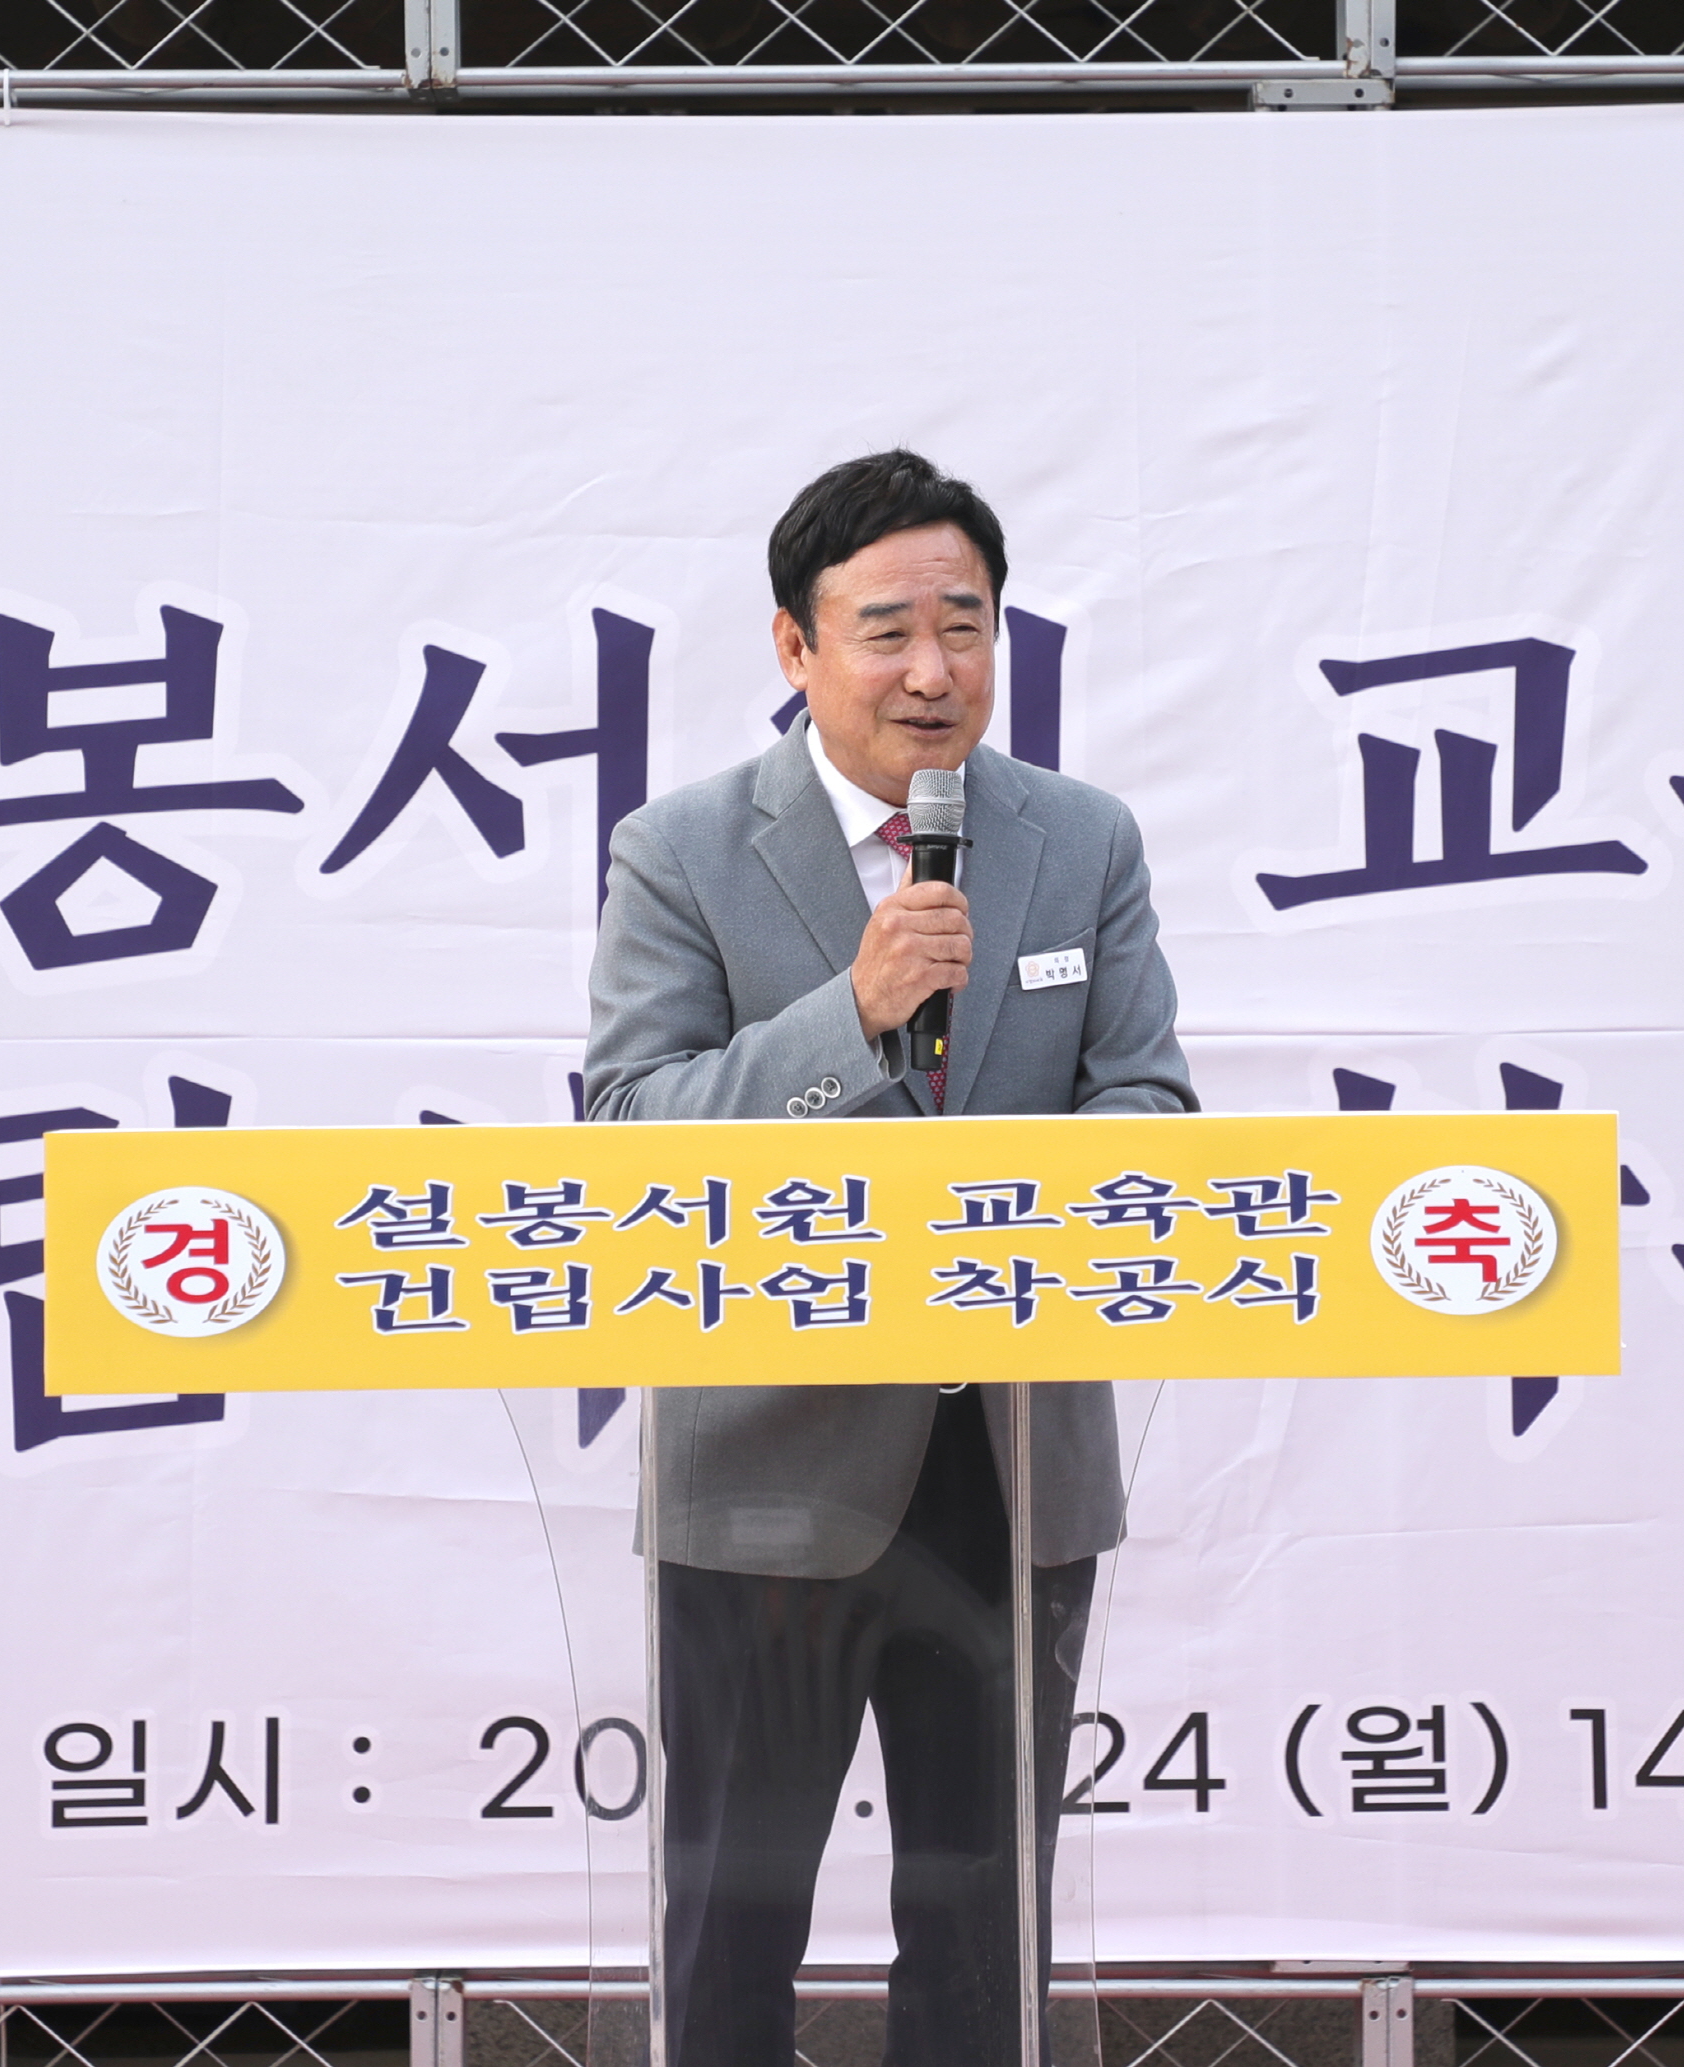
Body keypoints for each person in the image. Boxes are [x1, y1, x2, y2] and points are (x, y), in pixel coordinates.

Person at [583, 449, 1197, 2067]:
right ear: (796, 647)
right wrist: (849, 1017)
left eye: (966, 625)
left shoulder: (1080, 841)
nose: (935, 670)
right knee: (731, 1921)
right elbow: (629, 1135)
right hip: (765, 1472)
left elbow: (1147, 1106)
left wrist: (1017, 1203)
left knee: (987, 1927)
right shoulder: (683, 850)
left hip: (1013, 1466)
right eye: (887, 632)